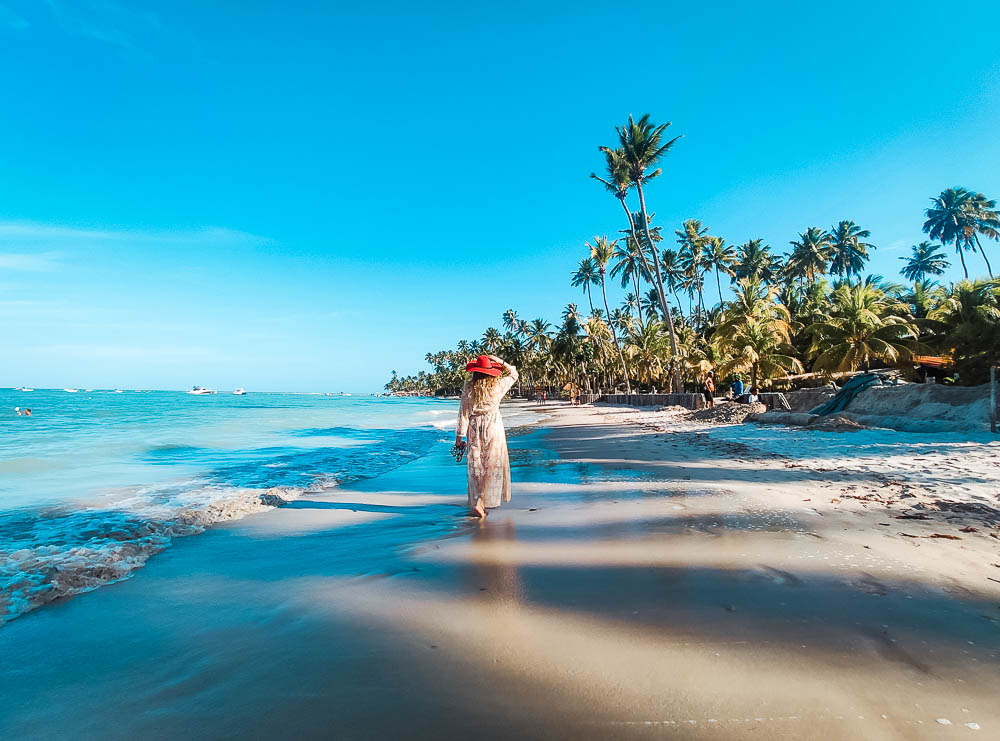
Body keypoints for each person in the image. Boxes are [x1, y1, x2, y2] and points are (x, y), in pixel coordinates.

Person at [455, 354, 519, 518]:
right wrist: (499, 360)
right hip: (493, 426)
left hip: (474, 427)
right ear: (490, 372)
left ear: (475, 372)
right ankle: (481, 502)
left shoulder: (469, 387)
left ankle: (478, 501)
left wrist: (459, 438)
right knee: (491, 465)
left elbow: (463, 413)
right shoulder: (497, 385)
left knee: (477, 465)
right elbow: (513, 373)